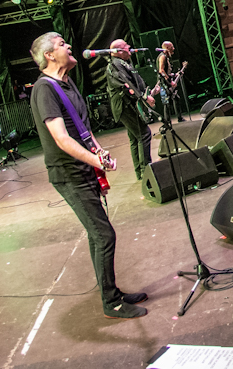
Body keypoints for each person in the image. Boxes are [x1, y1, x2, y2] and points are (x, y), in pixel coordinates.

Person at [29, 32, 147, 319]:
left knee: (99, 235)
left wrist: (99, 154)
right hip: (68, 174)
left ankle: (112, 293)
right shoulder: (45, 89)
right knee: (104, 234)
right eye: (61, 44)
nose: (69, 46)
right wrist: (96, 161)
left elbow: (82, 130)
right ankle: (111, 302)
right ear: (48, 55)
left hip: (83, 170)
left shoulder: (68, 84)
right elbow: (61, 138)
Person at [103, 39, 156, 181]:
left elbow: (135, 81)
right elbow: (126, 85)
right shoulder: (114, 65)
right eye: (126, 46)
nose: (130, 48)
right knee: (144, 134)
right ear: (119, 51)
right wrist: (144, 98)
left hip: (128, 105)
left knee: (135, 137)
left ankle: (141, 172)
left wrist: (146, 92)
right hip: (125, 106)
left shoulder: (124, 63)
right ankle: (146, 171)